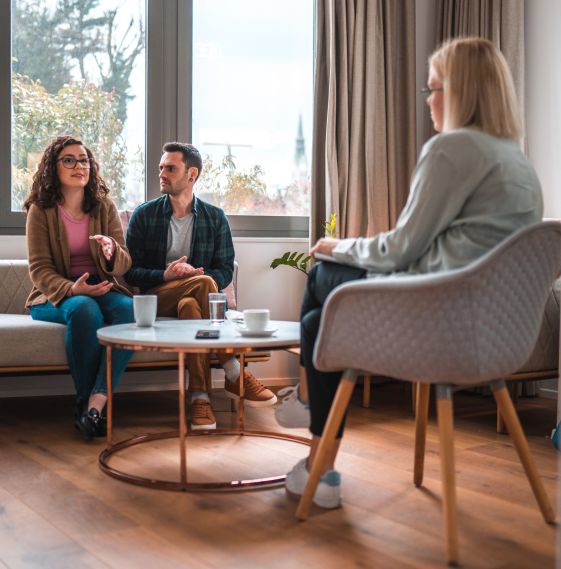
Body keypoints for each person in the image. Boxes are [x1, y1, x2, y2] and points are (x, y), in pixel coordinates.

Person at [280, 37, 544, 509]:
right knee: (319, 322)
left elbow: (401, 249)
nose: (427, 102)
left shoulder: (451, 149)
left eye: (434, 89)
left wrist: (339, 244)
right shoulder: (519, 163)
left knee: (321, 281)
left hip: (437, 323)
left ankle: (313, 430)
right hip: (496, 335)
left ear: (461, 91)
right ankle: (321, 462)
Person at [124, 142, 276, 430]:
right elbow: (131, 273)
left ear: (191, 174)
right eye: (161, 168)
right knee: (203, 282)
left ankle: (200, 398)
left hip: (193, 302)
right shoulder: (144, 215)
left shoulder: (214, 217)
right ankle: (233, 371)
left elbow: (225, 270)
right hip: (158, 297)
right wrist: (166, 275)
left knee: (191, 304)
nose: (162, 174)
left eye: (170, 168)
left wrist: (195, 278)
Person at [24, 135, 135, 440]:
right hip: (56, 295)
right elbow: (40, 269)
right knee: (85, 310)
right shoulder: (41, 210)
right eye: (69, 160)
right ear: (53, 168)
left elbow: (124, 262)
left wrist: (112, 251)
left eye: (83, 160)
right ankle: (88, 407)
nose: (78, 166)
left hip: (100, 288)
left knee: (129, 309)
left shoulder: (104, 206)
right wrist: (73, 290)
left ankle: (96, 402)